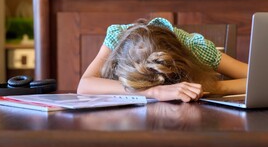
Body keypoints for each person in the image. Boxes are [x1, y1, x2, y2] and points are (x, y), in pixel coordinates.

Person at [77, 17, 248, 102]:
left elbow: (259, 79)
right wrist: (153, 92)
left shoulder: (193, 47)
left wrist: (210, 87)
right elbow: (85, 85)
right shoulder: (117, 39)